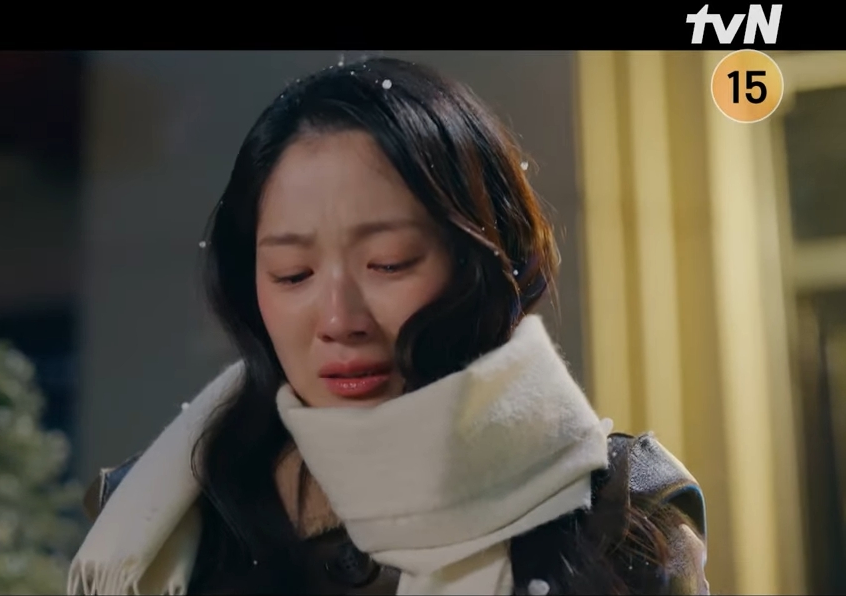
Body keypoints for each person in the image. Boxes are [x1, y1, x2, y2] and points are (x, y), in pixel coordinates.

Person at [68, 57, 708, 595]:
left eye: (389, 263)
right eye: (292, 274)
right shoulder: (168, 518)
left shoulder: (616, 514)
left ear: (482, 261)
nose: (339, 321)